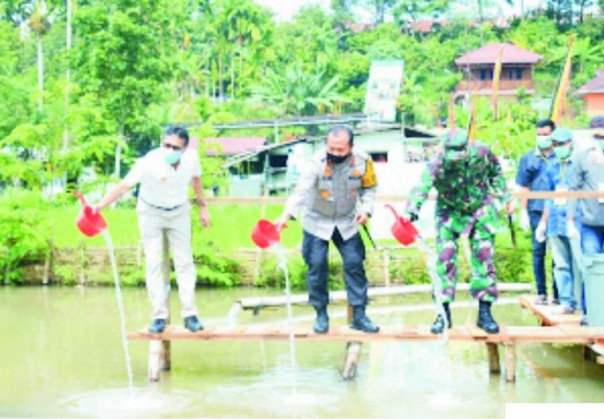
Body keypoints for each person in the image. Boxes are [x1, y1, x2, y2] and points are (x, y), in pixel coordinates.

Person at [94, 126, 210, 333]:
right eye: (166, 145)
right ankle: (158, 316)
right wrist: (99, 206)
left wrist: (203, 207)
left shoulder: (191, 159)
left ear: (184, 149)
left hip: (179, 211)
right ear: (161, 142)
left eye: (175, 147)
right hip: (151, 212)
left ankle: (190, 314)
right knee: (154, 262)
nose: (169, 150)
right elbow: (123, 186)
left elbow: (197, 180)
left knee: (184, 262)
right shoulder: (148, 162)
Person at [405, 129, 514, 335]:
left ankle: (485, 313)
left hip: (480, 207)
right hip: (450, 211)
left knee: (484, 258)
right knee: (445, 259)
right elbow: (422, 186)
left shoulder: (482, 151)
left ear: (466, 147)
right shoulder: (437, 163)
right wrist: (411, 210)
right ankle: (443, 313)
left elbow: (496, 173)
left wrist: (505, 198)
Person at [276, 126, 379, 334]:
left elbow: (369, 188)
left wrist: (366, 210)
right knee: (316, 266)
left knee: (354, 264)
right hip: (316, 221)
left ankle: (359, 314)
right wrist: (286, 215)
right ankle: (321, 314)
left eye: (341, 150)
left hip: (347, 221)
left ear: (351, 147)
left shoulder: (364, 161)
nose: (336, 153)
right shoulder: (315, 163)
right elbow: (301, 191)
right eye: (332, 148)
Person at [535, 128, 581, 315]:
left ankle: (582, 303)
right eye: (555, 145)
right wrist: (543, 223)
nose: (558, 148)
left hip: (576, 221)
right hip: (555, 220)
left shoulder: (578, 164)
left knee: (579, 263)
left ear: (570, 143)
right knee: (560, 264)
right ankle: (566, 301)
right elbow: (549, 197)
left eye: (561, 144)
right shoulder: (551, 166)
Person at [516, 119, 559, 305]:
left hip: (557, 210)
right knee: (537, 251)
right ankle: (541, 292)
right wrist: (522, 210)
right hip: (535, 209)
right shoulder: (529, 157)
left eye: (546, 135)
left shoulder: (560, 157)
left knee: (558, 253)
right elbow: (524, 185)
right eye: (539, 135)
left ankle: (558, 294)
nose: (542, 138)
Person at [568, 116, 604, 325]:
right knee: (590, 266)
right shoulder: (582, 158)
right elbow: (573, 189)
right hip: (590, 223)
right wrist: (571, 220)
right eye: (597, 136)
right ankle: (589, 311)